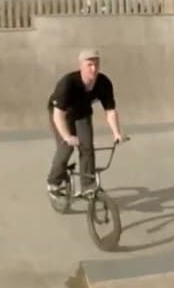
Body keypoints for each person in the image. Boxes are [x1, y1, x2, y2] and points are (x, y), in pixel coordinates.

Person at [46, 48, 123, 197]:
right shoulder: (68, 83)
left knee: (87, 146)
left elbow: (110, 111)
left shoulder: (103, 83)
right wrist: (68, 137)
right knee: (66, 147)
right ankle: (53, 182)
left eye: (96, 64)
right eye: (89, 65)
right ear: (81, 65)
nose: (93, 69)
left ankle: (87, 185)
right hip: (62, 114)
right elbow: (58, 115)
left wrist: (117, 134)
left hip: (82, 112)